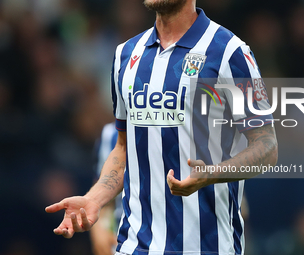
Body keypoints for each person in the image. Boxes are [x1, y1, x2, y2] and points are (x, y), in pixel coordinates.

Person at [46, 1, 278, 254]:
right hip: (135, 245)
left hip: (207, 246)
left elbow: (266, 146)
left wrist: (211, 174)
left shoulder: (228, 52)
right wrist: (94, 198)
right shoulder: (126, 55)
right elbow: (124, 149)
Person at [90, 122, 122, 255]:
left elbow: (195, 164)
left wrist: (195, 178)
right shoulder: (111, 135)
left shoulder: (190, 128)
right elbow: (102, 198)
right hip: (121, 243)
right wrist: (100, 230)